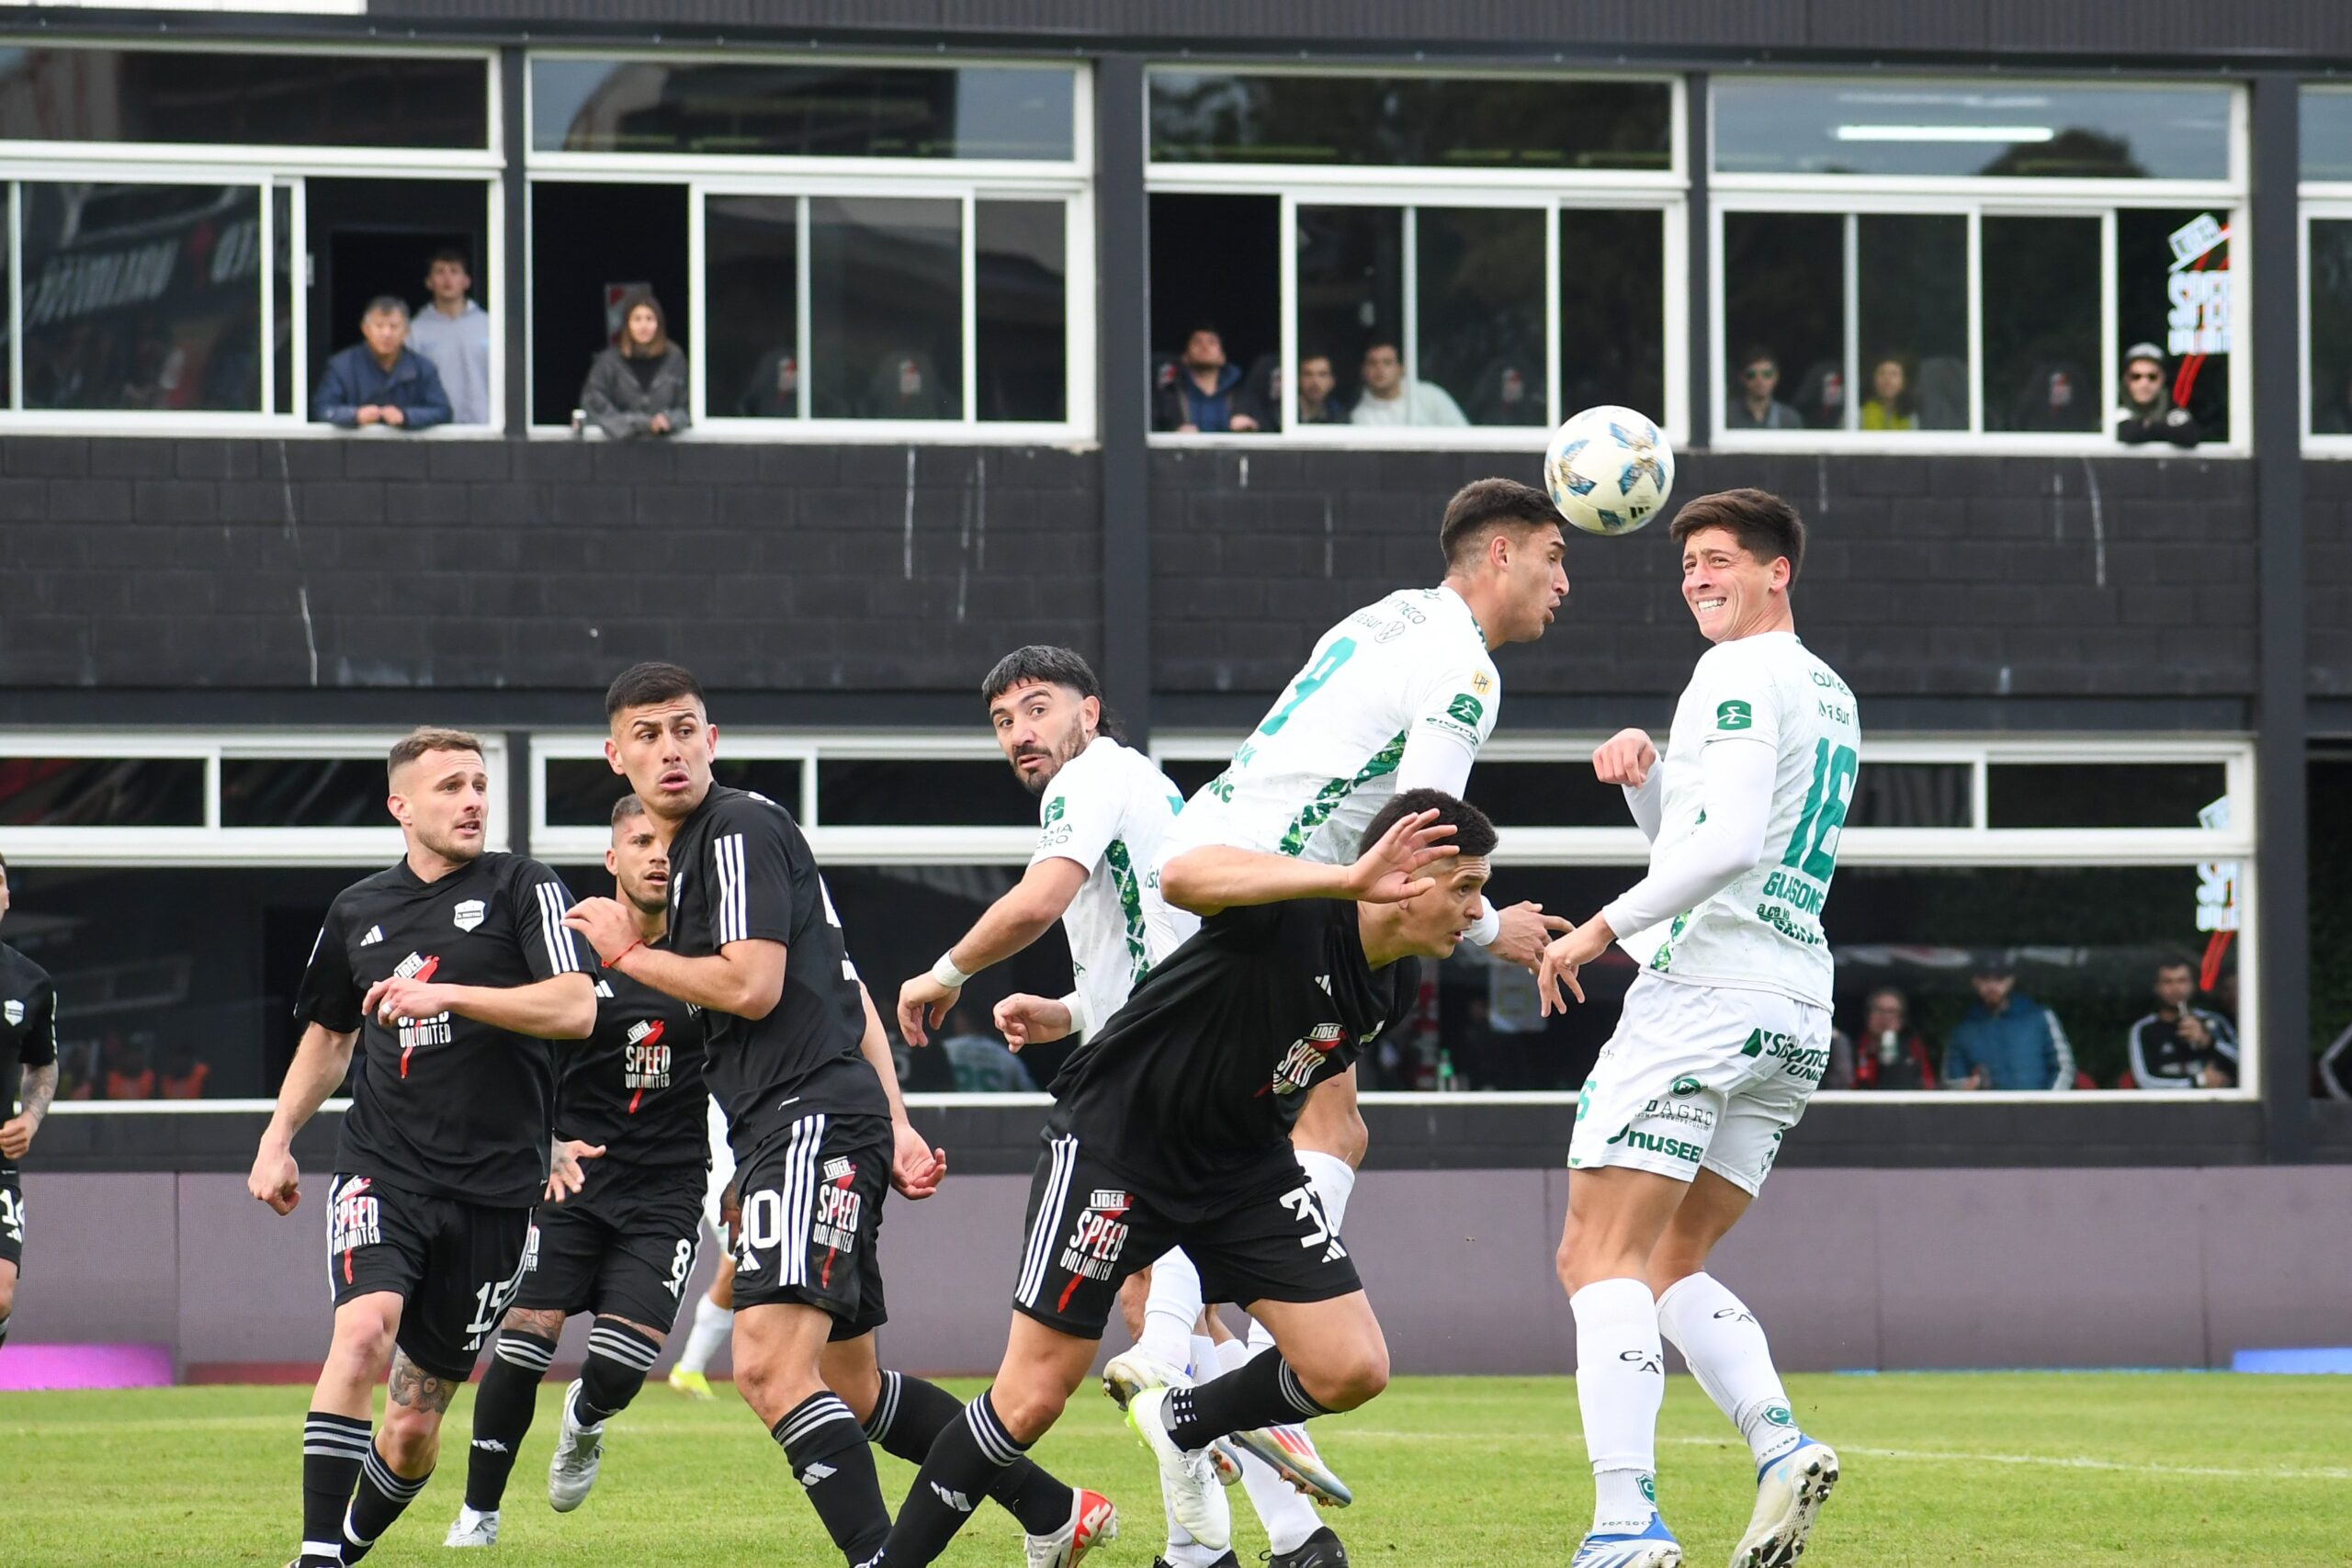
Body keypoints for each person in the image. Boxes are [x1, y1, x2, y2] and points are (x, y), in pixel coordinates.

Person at [567, 662, 1113, 1568]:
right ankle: (1055, 1510)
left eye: (684, 728)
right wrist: (889, 1123)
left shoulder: (732, 829)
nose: (669, 748)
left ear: (713, 739)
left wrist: (630, 954)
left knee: (770, 1368)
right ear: (615, 755)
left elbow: (753, 986)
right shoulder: (718, 849)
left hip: (808, 1119)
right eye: (648, 734)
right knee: (850, 1388)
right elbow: (845, 989)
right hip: (807, 1120)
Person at [863, 792, 1497, 1568]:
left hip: (1241, 1169)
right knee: (1030, 1396)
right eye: (1464, 885)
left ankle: (1184, 1418)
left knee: (1352, 1365)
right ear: (1407, 873)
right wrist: (1343, 876)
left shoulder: (1394, 984)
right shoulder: (1299, 906)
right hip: (1117, 1145)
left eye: (1480, 887)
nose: (1476, 908)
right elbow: (1183, 875)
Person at [897, 646, 1334, 1568]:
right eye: (1003, 721)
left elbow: (1037, 899)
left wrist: (944, 973)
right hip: (1175, 1056)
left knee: (1076, 1362)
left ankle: (1198, 1473)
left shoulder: (1089, 778)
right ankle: (1266, 1537)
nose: (1020, 732)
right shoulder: (1131, 786)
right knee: (1158, 1309)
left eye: (1037, 708)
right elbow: (1144, 957)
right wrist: (1062, 1011)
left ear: (1088, 713)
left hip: (1154, 1089)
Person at [1536, 488, 1857, 1568]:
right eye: (1686, 568)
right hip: (1793, 1003)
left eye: (1720, 561)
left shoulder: (1733, 671)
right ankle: (1778, 1444)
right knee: (1667, 1261)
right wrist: (1650, 782)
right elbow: (1720, 833)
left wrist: (1594, 931)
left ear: (1779, 572)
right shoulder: (1826, 688)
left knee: (1595, 1256)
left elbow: (1716, 854)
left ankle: (1625, 1522)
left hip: (1705, 998)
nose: (1699, 580)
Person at [247, 728, 597, 1568]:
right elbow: (331, 1037)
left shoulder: (522, 885)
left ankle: (351, 1543)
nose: (473, 799)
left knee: (409, 1431)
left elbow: (576, 1006)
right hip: (384, 1167)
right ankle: (317, 1554)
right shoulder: (357, 912)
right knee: (363, 1331)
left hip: (497, 1194)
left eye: (479, 783)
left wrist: (449, 992)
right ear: (402, 806)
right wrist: (277, 1136)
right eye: (450, 786)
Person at [447, 793, 707, 1548]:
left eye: (668, 842)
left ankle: (586, 1420)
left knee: (622, 1365)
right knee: (524, 1341)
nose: (658, 853)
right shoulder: (571, 947)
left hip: (667, 1188)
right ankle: (478, 1514)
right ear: (612, 860)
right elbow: (517, 1049)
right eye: (640, 840)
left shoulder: (713, 951)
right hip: (572, 1180)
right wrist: (545, 1140)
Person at [0, 850, 60, 1359]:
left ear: (6, 897)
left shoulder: (30, 982)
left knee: (0, 1292)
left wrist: (31, 1116)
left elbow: (43, 1063)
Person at [667, 1096, 740, 1400]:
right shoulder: (721, 1071)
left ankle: (689, 1368)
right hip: (726, 1187)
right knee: (747, 1267)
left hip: (737, 1180)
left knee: (734, 1272)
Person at [312, 298, 453, 431]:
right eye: (379, 326)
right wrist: (355, 415)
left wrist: (406, 416)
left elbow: (442, 411)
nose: (386, 333)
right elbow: (322, 409)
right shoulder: (341, 365)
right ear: (365, 329)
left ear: (406, 332)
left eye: (394, 326)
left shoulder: (423, 367)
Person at [1943, 959, 2075, 1091]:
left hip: (2038, 1110)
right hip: (1988, 1111)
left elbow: (2064, 1067)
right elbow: (1951, 1082)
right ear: (1975, 981)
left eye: (1999, 977)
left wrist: (2049, 1106)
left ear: (2011, 979)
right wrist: (1970, 1086)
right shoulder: (1963, 1031)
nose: (1992, 985)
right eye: (1985, 978)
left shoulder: (2040, 1017)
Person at [582, 291, 691, 440]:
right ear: (627, 325)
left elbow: (686, 407)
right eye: (637, 319)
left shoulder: (674, 359)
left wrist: (669, 420)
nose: (643, 325)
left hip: (665, 452)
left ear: (659, 324)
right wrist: (638, 424)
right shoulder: (609, 362)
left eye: (649, 319)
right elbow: (593, 403)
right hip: (619, 450)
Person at [404, 248, 492, 427]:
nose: (447, 279)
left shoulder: (490, 325)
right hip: (435, 430)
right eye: (440, 272)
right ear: (429, 282)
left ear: (466, 281)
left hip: (487, 427)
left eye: (454, 271)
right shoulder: (414, 330)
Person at [2126, 959, 2239, 1089]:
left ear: (2193, 985)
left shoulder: (2214, 1020)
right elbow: (2145, 1081)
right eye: (2168, 982)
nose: (2176, 988)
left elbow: (2247, 1067)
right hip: (2167, 1109)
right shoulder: (2143, 1030)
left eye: (2182, 981)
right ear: (2156, 988)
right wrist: (2197, 1081)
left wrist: (2208, 1041)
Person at [1154, 324, 1262, 434]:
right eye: (1197, 342)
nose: (1205, 347)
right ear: (1185, 357)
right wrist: (1174, 433)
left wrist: (1250, 428)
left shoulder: (1241, 393)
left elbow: (1267, 429)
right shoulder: (1170, 392)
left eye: (1212, 342)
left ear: (1222, 357)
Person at [1349, 341, 1466, 427]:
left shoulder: (1430, 395)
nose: (1379, 369)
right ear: (1363, 371)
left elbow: (1461, 433)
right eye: (1372, 363)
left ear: (1401, 369)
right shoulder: (1360, 417)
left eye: (1387, 363)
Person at [2115, 343, 2199, 448]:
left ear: (2162, 379)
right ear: (2127, 380)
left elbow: (2188, 435)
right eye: (2136, 376)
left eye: (2152, 377)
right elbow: (2129, 434)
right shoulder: (2113, 410)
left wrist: (2148, 427)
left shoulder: (2173, 411)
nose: (2144, 384)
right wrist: (2164, 428)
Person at [1849, 987, 1936, 1090]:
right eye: (1878, 1010)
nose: (1885, 1017)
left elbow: (1928, 1086)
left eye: (1891, 1011)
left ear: (1902, 1020)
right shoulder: (1852, 1047)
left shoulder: (1913, 1048)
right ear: (1868, 1015)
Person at [1723, 348, 1804, 431]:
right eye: (1751, 375)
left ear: (1776, 377)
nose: (1760, 381)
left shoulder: (1789, 419)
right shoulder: (1726, 415)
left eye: (1767, 374)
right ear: (1742, 378)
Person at [1860, 357, 1916, 432]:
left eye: (1894, 374)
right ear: (1874, 381)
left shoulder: (1911, 418)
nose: (1887, 379)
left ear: (1903, 383)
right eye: (1882, 373)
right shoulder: (1858, 415)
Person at [1296, 353, 1346, 425]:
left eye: (1322, 374)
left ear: (1332, 381)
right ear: (1298, 380)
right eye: (1308, 374)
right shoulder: (1281, 415)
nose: (1315, 382)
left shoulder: (1339, 416)